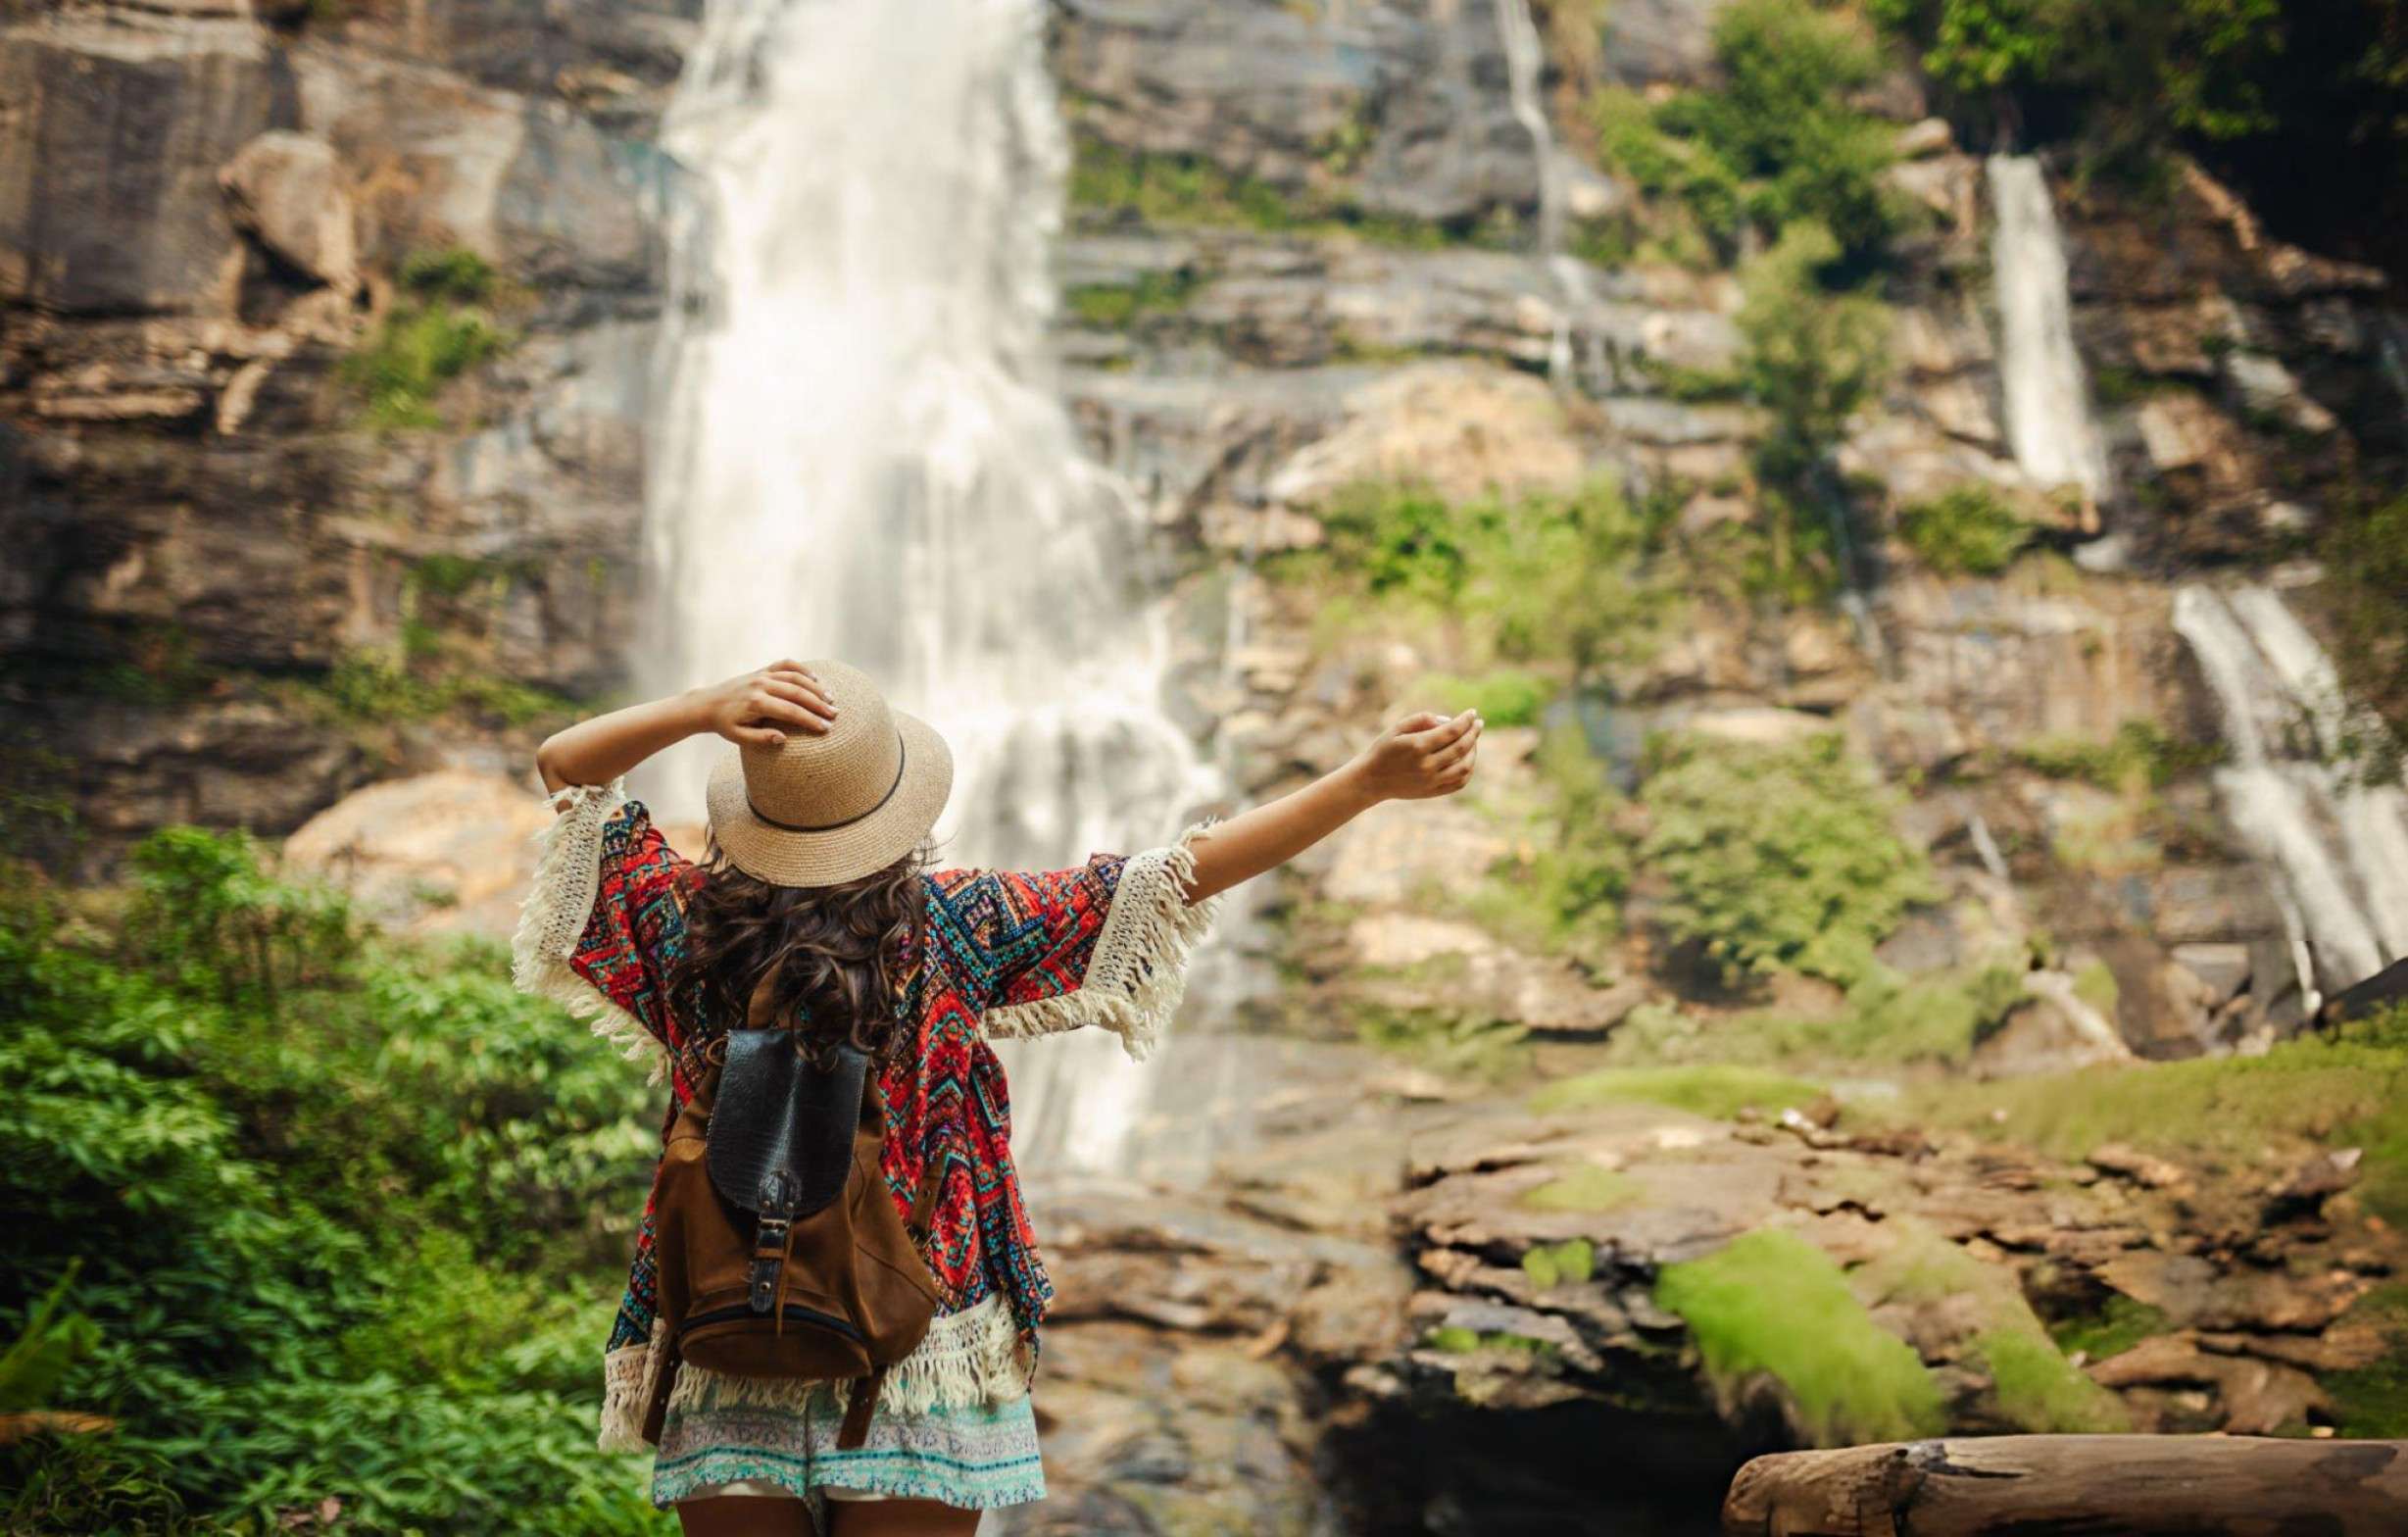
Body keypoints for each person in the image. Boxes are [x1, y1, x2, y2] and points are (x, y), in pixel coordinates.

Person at [514, 659, 1482, 1536]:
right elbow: (1177, 877)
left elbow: (567, 767)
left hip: (728, 1320)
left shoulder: (681, 927)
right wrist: (1366, 782)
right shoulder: (958, 925)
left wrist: (702, 707)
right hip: (921, 1342)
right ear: (902, 806)